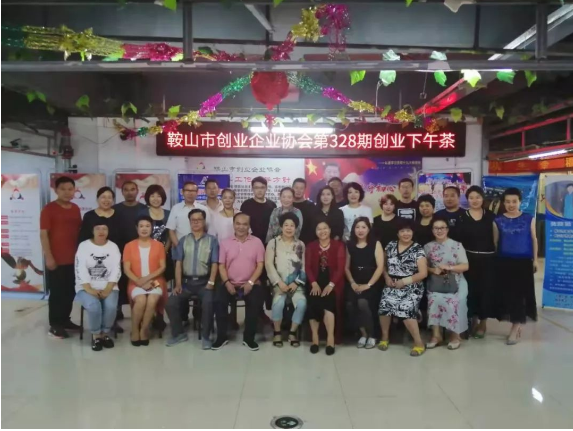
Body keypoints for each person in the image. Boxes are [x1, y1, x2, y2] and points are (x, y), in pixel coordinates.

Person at [165, 209, 219, 349]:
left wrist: (211, 282)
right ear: (189, 222)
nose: (196, 222)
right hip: (186, 284)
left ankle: (206, 336)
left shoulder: (212, 241)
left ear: (204, 222)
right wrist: (178, 284)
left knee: (208, 303)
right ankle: (179, 333)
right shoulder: (183, 240)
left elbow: (215, 263)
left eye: (199, 220)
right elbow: (178, 264)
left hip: (204, 283)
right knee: (170, 303)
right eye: (193, 220)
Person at [213, 213, 265, 351]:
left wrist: (250, 282)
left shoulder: (257, 242)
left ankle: (249, 338)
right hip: (229, 283)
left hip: (251, 283)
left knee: (255, 302)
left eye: (244, 224)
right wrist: (226, 282)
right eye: (238, 224)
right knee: (219, 301)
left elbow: (260, 265)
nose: (241, 227)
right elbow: (221, 266)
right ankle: (221, 337)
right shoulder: (225, 243)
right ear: (234, 225)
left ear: (249, 226)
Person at [493, 188, 538, 345]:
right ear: (503, 203)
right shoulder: (498, 220)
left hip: (523, 262)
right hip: (504, 262)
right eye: (507, 201)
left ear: (520, 202)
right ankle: (515, 324)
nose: (511, 204)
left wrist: (535, 260)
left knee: (520, 296)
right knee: (508, 295)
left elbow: (534, 239)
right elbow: (495, 242)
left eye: (514, 201)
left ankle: (515, 327)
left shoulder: (528, 219)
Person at [40, 176, 82, 339]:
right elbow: (44, 234)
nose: (67, 192)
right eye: (63, 189)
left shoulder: (75, 208)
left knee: (70, 291)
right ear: (56, 190)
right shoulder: (49, 209)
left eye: (70, 189)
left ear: (74, 191)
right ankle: (55, 325)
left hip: (74, 259)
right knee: (57, 293)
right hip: (56, 259)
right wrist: (49, 257)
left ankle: (65, 320)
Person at [378, 219, 428, 356]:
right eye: (402, 231)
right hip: (392, 284)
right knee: (384, 306)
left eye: (408, 230)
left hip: (412, 285)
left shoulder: (417, 248)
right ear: (397, 233)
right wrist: (386, 277)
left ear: (413, 232)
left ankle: (418, 343)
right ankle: (385, 337)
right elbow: (382, 264)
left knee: (405, 309)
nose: (406, 233)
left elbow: (423, 273)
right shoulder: (390, 245)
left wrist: (404, 281)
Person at [80, 187, 126, 330]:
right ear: (97, 199)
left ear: (113, 200)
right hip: (93, 260)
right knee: (95, 291)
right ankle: (97, 321)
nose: (106, 200)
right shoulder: (89, 216)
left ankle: (111, 321)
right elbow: (83, 238)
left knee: (113, 289)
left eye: (109, 197)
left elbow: (124, 237)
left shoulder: (119, 215)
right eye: (103, 197)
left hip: (114, 259)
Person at [74, 220, 121, 351]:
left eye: (104, 228)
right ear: (92, 231)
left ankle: (105, 333)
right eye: (98, 228)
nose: (101, 231)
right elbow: (79, 269)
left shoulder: (113, 247)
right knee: (94, 306)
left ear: (108, 231)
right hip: (85, 287)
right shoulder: (84, 246)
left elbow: (116, 270)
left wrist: (108, 288)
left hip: (109, 286)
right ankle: (96, 336)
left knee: (111, 307)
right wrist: (89, 289)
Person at [425, 217, 469, 350]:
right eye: (436, 228)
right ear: (432, 230)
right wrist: (433, 270)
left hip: (456, 281)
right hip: (437, 282)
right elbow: (424, 267)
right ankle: (436, 335)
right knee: (434, 298)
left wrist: (449, 268)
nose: (439, 231)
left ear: (447, 229)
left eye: (442, 228)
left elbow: (465, 266)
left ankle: (455, 336)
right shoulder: (427, 247)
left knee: (454, 300)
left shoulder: (457, 245)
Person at [122, 215, 167, 346]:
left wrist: (147, 279)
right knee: (141, 300)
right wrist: (139, 281)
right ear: (136, 228)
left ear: (152, 228)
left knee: (152, 299)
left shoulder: (159, 245)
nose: (144, 229)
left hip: (155, 281)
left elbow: (162, 267)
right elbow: (126, 269)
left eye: (147, 226)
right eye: (141, 226)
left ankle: (144, 330)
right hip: (135, 282)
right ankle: (135, 330)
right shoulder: (129, 246)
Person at [458, 186, 496, 338]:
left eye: (478, 197)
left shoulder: (491, 216)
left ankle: (483, 323)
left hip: (488, 260)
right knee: (470, 291)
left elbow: (496, 238)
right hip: (469, 259)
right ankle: (472, 320)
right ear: (467, 199)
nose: (475, 200)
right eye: (471, 197)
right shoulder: (462, 217)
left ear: (482, 198)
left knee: (485, 291)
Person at [265, 213, 307, 348]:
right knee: (278, 303)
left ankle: (292, 333)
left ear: (296, 228)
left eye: (292, 225)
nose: (289, 228)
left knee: (302, 304)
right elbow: (269, 264)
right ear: (281, 227)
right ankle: (277, 332)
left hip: (296, 284)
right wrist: (279, 282)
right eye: (286, 225)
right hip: (279, 284)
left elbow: (304, 266)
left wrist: (297, 282)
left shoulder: (300, 244)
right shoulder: (273, 243)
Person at [305, 221, 346, 355]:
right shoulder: (311, 246)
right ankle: (315, 338)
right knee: (313, 301)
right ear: (315, 232)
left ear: (330, 230)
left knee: (329, 302)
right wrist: (313, 283)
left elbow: (340, 269)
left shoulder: (338, 245)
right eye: (319, 229)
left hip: (333, 282)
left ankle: (330, 339)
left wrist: (331, 284)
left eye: (325, 228)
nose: (322, 231)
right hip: (315, 282)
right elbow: (307, 267)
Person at [345, 217, 384, 349]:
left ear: (368, 229)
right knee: (350, 304)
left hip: (372, 282)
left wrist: (368, 285)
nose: (360, 230)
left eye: (363, 227)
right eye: (357, 227)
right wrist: (352, 283)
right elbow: (346, 267)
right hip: (355, 281)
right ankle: (363, 333)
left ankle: (372, 334)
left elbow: (380, 267)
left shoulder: (375, 244)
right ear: (353, 229)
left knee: (363, 303)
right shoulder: (349, 244)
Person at [166, 181, 209, 247]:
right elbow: (171, 230)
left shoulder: (203, 209)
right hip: (180, 247)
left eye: (193, 191)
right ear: (182, 192)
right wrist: (178, 247)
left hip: (200, 248)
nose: (190, 193)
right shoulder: (175, 208)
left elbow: (207, 229)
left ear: (197, 193)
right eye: (187, 190)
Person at [240, 176, 277, 246]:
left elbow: (274, 226)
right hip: (250, 243)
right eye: (256, 188)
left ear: (266, 188)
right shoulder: (246, 205)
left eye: (262, 187)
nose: (259, 190)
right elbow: (243, 225)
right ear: (252, 189)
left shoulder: (272, 205)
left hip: (269, 244)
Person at [292, 178, 316, 245]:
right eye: (296, 188)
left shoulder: (311, 206)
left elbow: (314, 226)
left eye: (301, 188)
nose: (298, 190)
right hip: (290, 243)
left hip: (307, 243)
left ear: (305, 190)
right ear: (292, 188)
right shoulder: (288, 205)